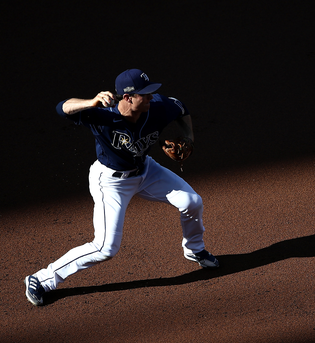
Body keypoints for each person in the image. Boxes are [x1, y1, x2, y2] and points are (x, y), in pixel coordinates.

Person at [25, 68, 219, 306]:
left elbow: (181, 108)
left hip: (146, 170)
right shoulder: (101, 116)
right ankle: (42, 278)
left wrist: (188, 138)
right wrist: (91, 102)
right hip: (111, 182)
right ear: (127, 97)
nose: (151, 97)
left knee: (192, 202)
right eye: (144, 94)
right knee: (106, 248)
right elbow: (61, 107)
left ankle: (194, 249)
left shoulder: (158, 106)